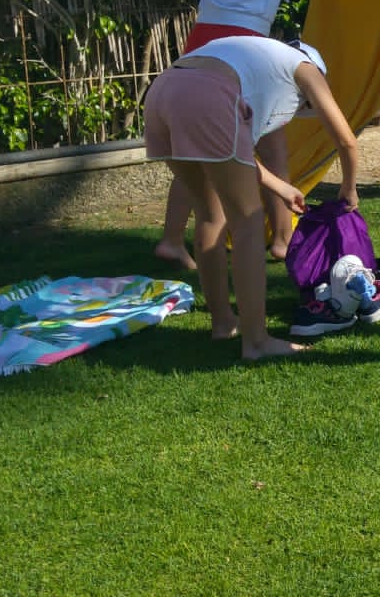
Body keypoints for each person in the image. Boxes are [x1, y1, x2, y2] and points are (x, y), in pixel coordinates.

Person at [153, 0, 380, 273]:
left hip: (201, 46)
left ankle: (178, 239)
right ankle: (281, 240)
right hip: (242, 53)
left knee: (202, 150)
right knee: (259, 148)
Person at [142, 38, 358, 360]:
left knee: (210, 214)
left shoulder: (256, 63)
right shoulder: (306, 67)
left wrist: (281, 188)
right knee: (248, 222)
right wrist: (349, 187)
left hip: (163, 90)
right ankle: (256, 342)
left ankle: (223, 323)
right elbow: (346, 140)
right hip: (208, 95)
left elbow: (237, 153)